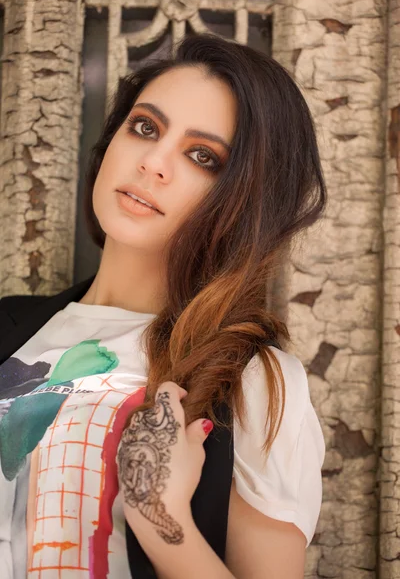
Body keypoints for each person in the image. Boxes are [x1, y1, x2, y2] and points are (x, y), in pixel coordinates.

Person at [0, 32, 327, 578]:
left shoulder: (253, 378)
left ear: (244, 203)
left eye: (203, 157)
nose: (153, 161)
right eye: (145, 127)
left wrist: (160, 519)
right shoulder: (9, 323)